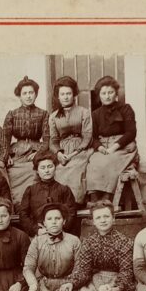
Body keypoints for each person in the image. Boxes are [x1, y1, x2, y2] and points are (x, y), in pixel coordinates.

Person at [86, 76, 139, 202]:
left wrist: (114, 147)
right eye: (103, 93)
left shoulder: (126, 109)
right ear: (99, 95)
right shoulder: (96, 114)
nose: (107, 96)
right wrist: (100, 147)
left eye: (110, 92)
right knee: (93, 161)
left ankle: (107, 197)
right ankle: (94, 198)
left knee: (109, 161)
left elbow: (131, 132)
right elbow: (92, 136)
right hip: (104, 147)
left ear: (116, 93)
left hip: (123, 147)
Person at [3, 76, 50, 207]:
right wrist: (6, 156)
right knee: (12, 173)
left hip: (36, 149)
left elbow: (47, 138)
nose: (28, 96)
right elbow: (4, 139)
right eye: (25, 93)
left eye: (31, 93)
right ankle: (18, 207)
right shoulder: (12, 114)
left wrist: (39, 153)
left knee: (34, 171)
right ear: (19, 96)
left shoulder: (43, 114)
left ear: (36, 94)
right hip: (17, 151)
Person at [48, 76, 93, 204]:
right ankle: (59, 205)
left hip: (81, 150)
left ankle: (75, 203)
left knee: (75, 169)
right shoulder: (53, 117)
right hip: (63, 151)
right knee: (57, 171)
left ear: (74, 94)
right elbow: (54, 140)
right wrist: (59, 153)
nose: (66, 97)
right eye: (62, 94)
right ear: (58, 96)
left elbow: (87, 136)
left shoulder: (84, 112)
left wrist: (73, 154)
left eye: (68, 93)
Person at [19, 149, 77, 237]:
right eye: (42, 168)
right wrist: (36, 230)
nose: (47, 170)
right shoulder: (30, 190)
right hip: (38, 234)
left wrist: (60, 229)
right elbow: (23, 214)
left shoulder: (64, 189)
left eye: (50, 166)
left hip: (61, 233)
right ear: (37, 171)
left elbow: (71, 213)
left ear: (55, 167)